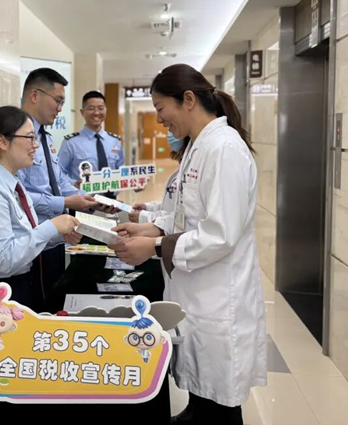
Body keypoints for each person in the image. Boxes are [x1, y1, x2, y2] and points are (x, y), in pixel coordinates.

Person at [109, 64, 267, 425]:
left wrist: (155, 246)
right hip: (195, 294)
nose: (159, 119)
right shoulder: (198, 147)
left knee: (219, 407)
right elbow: (185, 214)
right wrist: (150, 228)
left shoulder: (224, 149)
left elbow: (220, 234)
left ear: (189, 100)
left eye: (161, 108)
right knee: (201, 399)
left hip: (218, 299)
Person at [0, 105, 82, 425]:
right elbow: (4, 258)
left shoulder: (11, 182)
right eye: (28, 138)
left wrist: (58, 236)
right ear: (2, 141)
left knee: (16, 392)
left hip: (15, 294)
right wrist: (51, 227)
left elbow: (24, 239)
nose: (35, 145)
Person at [17, 68, 102, 306]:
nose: (60, 108)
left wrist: (88, 199)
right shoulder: (17, 137)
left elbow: (59, 180)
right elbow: (17, 195)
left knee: (55, 301)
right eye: (58, 100)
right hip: (33, 238)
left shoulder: (45, 137)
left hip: (56, 237)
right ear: (35, 95)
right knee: (39, 305)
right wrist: (65, 202)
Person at [58, 90, 124, 198]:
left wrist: (134, 180)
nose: (96, 113)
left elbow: (120, 169)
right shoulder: (71, 143)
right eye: (91, 108)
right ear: (82, 112)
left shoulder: (115, 141)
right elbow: (58, 173)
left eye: (101, 108)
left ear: (106, 110)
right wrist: (74, 183)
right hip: (83, 201)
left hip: (112, 201)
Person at [129, 131, 183, 229]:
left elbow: (182, 218)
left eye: (172, 126)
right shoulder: (181, 167)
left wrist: (145, 217)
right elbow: (170, 205)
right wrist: (148, 207)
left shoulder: (192, 171)